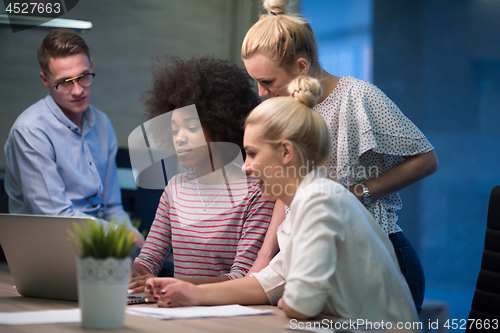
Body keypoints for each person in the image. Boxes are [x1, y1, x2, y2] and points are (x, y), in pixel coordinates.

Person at [144, 77, 420, 329]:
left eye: (251, 154)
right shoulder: (303, 208)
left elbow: (300, 304)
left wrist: (289, 299)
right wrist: (192, 293)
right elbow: (266, 284)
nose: (247, 167)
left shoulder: (320, 203)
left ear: (286, 152)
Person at [239, 0, 438, 313]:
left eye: (267, 82)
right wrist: (266, 256)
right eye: (257, 82)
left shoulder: (357, 96)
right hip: (319, 258)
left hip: (378, 260)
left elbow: (426, 160)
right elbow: (286, 182)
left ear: (301, 67)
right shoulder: (286, 111)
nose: (261, 93)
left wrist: (359, 191)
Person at [128, 57, 274, 292]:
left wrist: (174, 285)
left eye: (192, 127)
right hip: (176, 309)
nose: (180, 137)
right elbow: (149, 260)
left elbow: (244, 277)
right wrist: (134, 273)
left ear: (220, 124)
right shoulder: (174, 188)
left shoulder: (257, 192)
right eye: (174, 130)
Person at [3, 29, 143, 246]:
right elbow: (56, 218)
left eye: (84, 76)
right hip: (50, 248)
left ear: (92, 66)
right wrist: (120, 236)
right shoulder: (30, 131)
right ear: (45, 80)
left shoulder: (102, 123)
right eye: (65, 82)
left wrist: (136, 240)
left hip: (99, 246)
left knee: (166, 273)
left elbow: (112, 207)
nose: (78, 90)